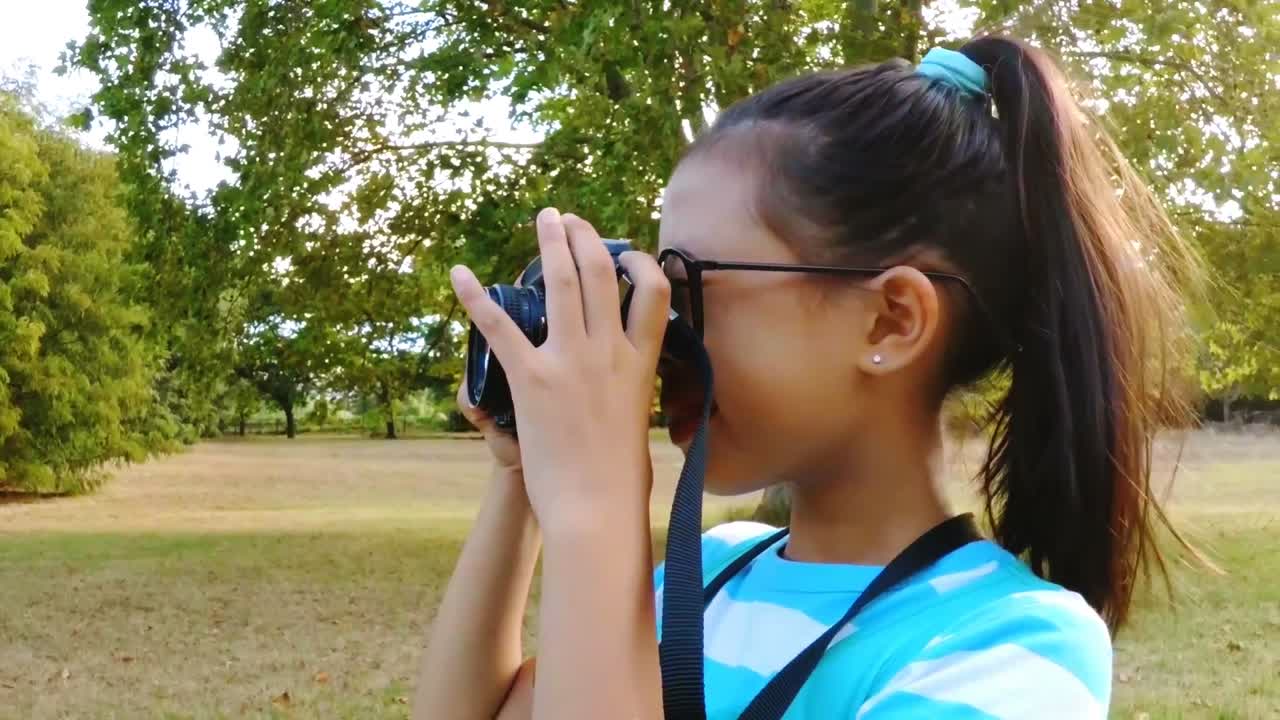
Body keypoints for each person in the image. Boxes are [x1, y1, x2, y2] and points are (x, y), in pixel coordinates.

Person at [415, 35, 1199, 720]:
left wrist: (596, 513)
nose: (656, 339)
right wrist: (526, 476)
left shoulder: (1010, 648)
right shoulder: (716, 572)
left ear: (891, 320)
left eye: (690, 289)